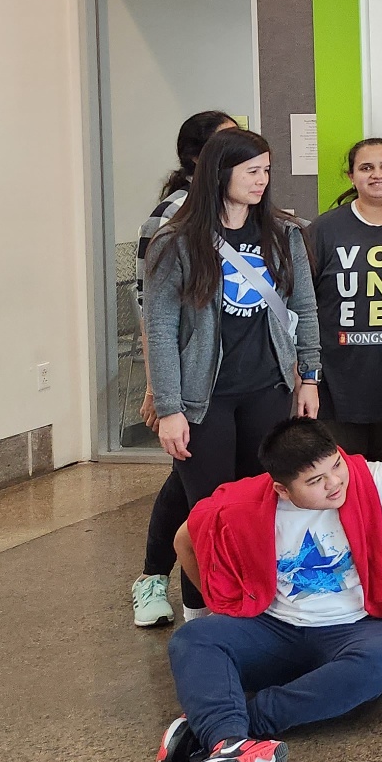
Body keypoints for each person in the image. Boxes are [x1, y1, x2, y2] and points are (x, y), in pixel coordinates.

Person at [158, 420, 382, 762]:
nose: (335, 483)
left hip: (360, 627)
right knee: (194, 638)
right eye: (315, 481)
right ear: (282, 489)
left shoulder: (375, 481)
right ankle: (229, 742)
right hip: (276, 628)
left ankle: (229, 728)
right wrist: (223, 609)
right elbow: (185, 539)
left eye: (336, 464)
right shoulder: (248, 500)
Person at [144, 129, 321, 616]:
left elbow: (304, 309)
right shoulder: (177, 242)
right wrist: (170, 408)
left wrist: (309, 377)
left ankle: (254, 604)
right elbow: (160, 329)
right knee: (208, 513)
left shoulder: (284, 234)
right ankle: (201, 614)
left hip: (268, 390)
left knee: (259, 505)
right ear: (219, 174)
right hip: (204, 400)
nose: (262, 180)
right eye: (251, 171)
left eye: (266, 170)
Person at [131, 109, 240, 628]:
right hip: (188, 377)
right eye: (227, 144)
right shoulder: (174, 217)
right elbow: (153, 310)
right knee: (190, 484)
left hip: (236, 379)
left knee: (191, 481)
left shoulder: (239, 209)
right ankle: (155, 578)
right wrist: (160, 388)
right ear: (199, 156)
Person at [308, 139, 382, 468]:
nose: (377, 174)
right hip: (339, 384)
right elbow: (301, 304)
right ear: (351, 176)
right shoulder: (324, 229)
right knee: (343, 472)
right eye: (366, 167)